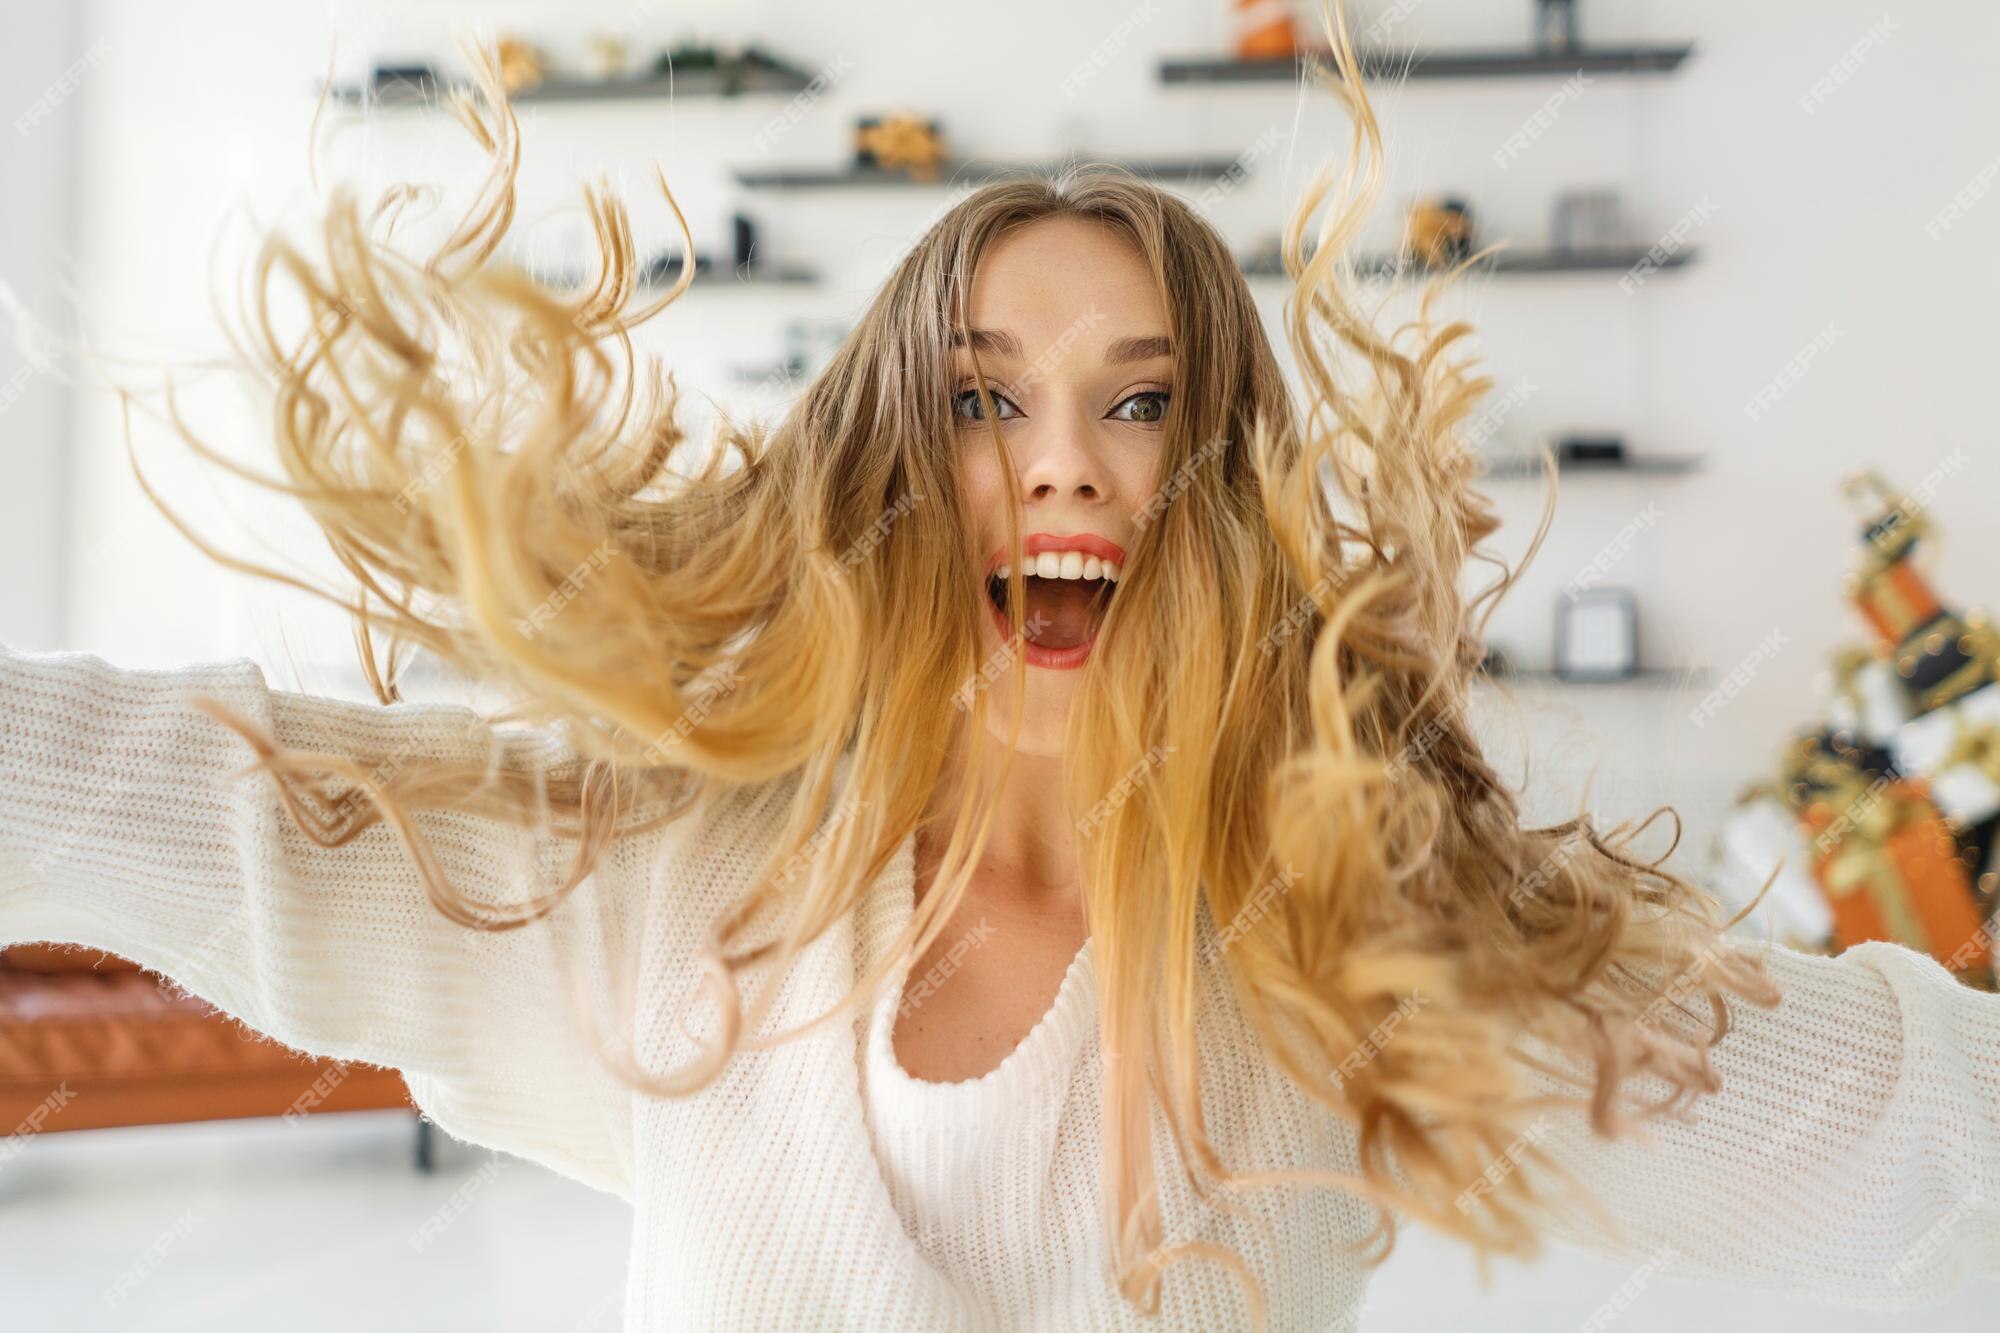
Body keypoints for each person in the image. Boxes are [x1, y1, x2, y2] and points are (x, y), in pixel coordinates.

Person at [2, 5, 1995, 1329]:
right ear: (888, 467)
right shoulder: (656, 884)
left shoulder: (1361, 937)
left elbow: (1909, 1134)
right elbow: (175, 787)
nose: (1059, 460)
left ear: (1213, 482)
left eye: (1137, 405)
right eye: (983, 399)